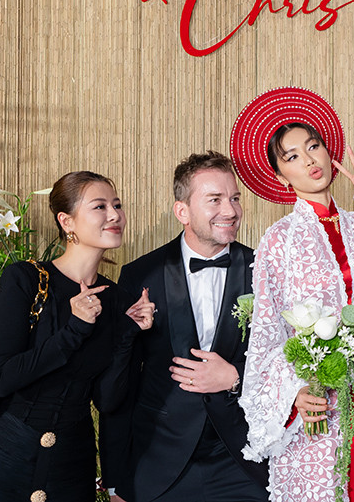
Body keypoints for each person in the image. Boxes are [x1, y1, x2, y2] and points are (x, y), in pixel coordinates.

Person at [232, 87, 354, 502]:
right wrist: (293, 392)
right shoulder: (278, 239)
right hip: (313, 396)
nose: (310, 160)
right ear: (281, 177)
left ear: (330, 153)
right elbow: (267, 335)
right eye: (293, 156)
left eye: (314, 147)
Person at [0, 171, 155, 502]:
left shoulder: (118, 300)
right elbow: (3, 379)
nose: (115, 215)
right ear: (66, 221)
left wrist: (129, 333)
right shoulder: (25, 279)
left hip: (71, 463)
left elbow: (107, 401)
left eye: (117, 205)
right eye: (100, 206)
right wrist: (75, 328)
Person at [99, 152, 269, 502]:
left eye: (235, 198)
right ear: (183, 211)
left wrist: (235, 377)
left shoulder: (266, 270)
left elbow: (287, 362)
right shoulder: (139, 274)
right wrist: (116, 480)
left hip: (244, 461)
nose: (231, 210)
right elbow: (121, 385)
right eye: (215, 200)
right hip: (158, 464)